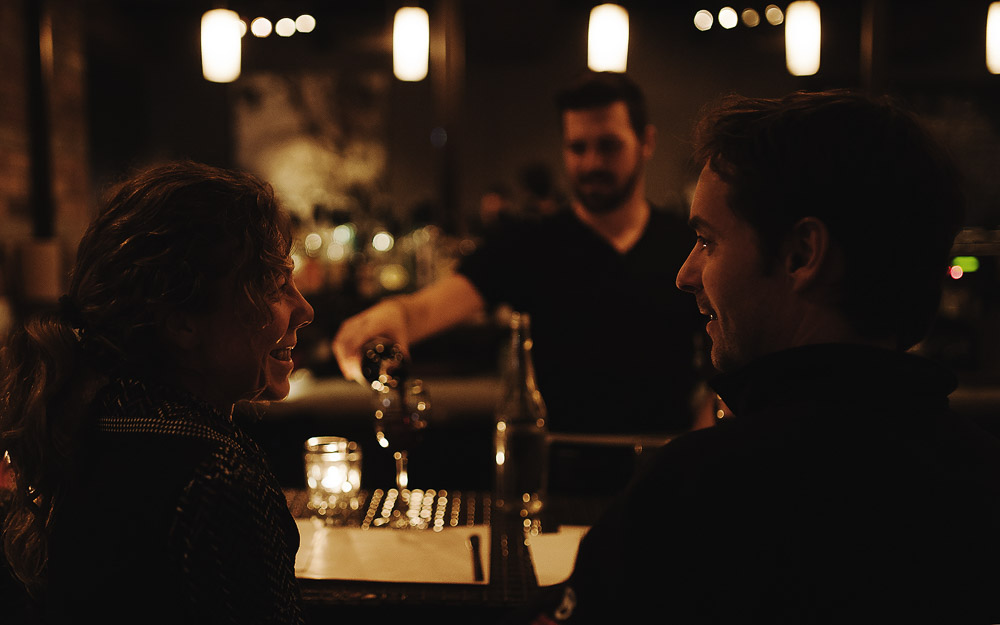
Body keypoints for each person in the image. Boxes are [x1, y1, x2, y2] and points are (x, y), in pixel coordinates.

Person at [519, 91, 1000, 623]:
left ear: (801, 255)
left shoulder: (697, 493)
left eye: (708, 242)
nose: (685, 274)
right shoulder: (982, 480)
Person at [0, 161, 314, 623]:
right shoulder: (218, 477)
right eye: (273, 285)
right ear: (182, 321)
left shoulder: (87, 423)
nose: (304, 309)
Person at [333, 71, 707, 435]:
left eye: (609, 146)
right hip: (557, 463)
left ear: (646, 142)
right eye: (578, 148)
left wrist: (698, 446)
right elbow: (430, 308)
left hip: (663, 461)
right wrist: (395, 314)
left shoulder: (687, 245)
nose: (592, 163)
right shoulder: (530, 244)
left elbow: (726, 367)